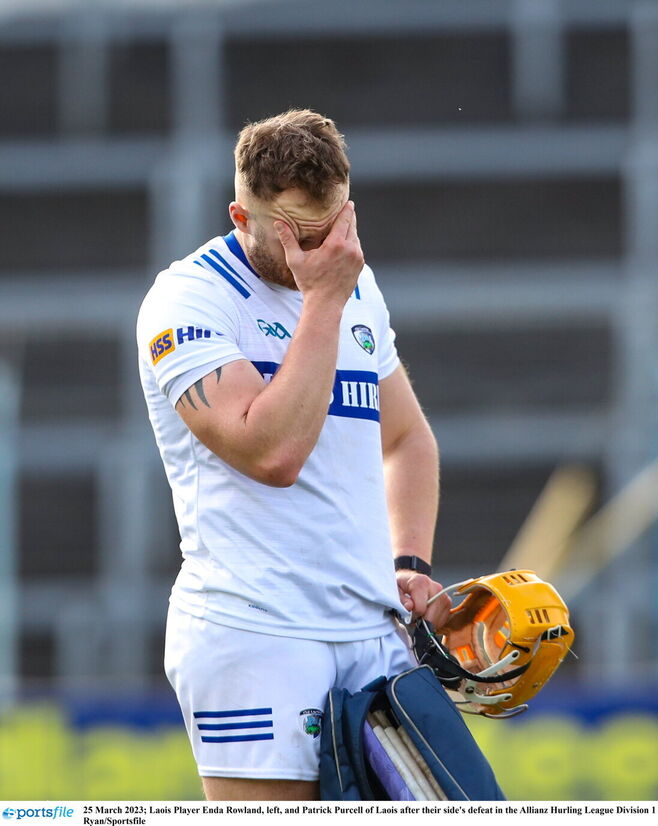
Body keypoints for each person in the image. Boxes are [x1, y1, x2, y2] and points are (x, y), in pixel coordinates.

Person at [137, 109, 447, 800]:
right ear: (240, 217)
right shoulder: (186, 300)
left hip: (370, 633)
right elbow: (271, 454)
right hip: (256, 632)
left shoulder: (354, 285)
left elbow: (406, 439)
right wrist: (325, 302)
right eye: (295, 236)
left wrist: (411, 564)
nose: (320, 252)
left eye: (331, 228)